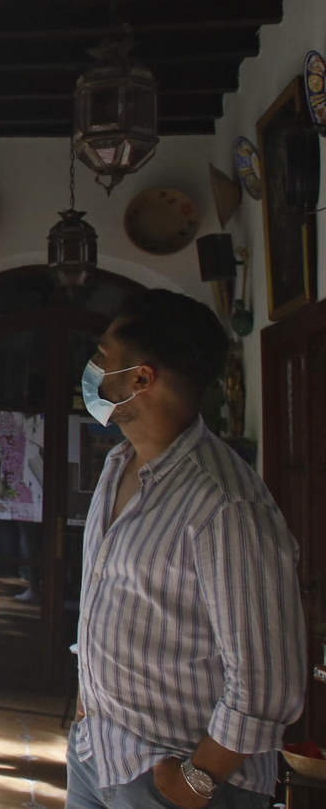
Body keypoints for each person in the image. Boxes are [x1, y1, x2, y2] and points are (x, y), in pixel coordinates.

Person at [68, 290, 305, 809]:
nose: (91, 369)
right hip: (97, 752)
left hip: (175, 777)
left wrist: (197, 779)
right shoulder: (117, 467)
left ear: (140, 379)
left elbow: (268, 681)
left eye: (103, 356)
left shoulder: (224, 505)